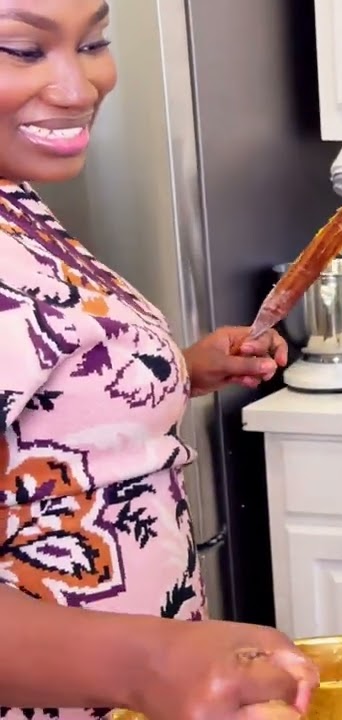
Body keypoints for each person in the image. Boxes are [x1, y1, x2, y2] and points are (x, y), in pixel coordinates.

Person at [0, 1, 316, 718]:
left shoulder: (15, 197)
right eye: (22, 49)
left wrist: (171, 371)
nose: (80, 87)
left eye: (95, 42)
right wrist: (157, 662)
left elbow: (36, 401)